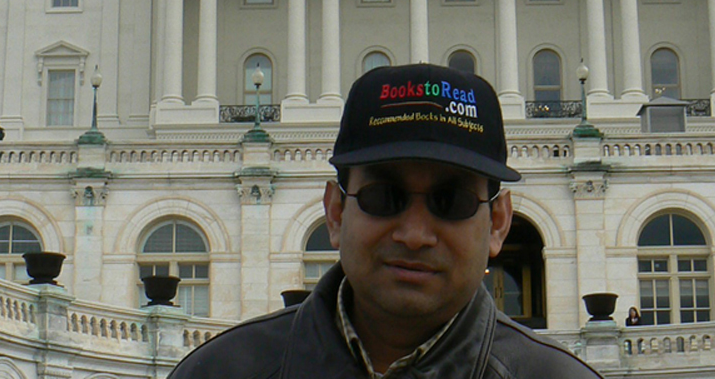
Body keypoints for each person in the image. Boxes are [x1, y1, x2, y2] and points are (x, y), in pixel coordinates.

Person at [170, 63, 602, 377]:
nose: (414, 235)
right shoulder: (219, 372)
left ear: (497, 224)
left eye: (450, 201)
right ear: (336, 212)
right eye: (384, 197)